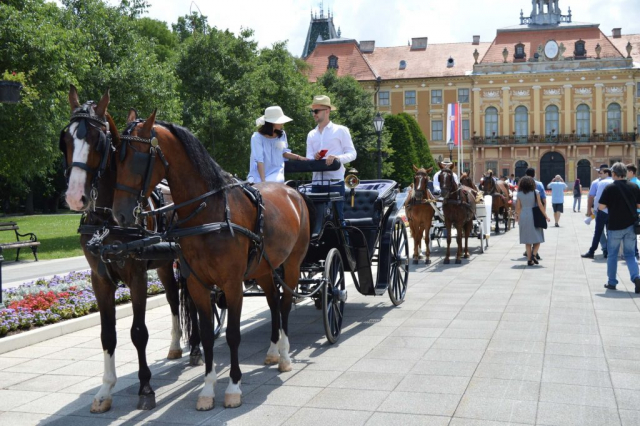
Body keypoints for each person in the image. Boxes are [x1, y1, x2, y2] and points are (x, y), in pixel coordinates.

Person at [306, 95, 357, 223]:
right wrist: (314, 157)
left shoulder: (341, 130)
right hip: (316, 183)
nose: (314, 114)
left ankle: (346, 243)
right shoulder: (311, 134)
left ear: (327, 111)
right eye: (312, 111)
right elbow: (308, 158)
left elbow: (352, 153)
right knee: (315, 221)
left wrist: (337, 158)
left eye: (316, 111)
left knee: (338, 220)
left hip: (335, 182)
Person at [597, 162, 640, 292]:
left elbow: (601, 207)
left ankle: (612, 282)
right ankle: (636, 277)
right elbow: (639, 206)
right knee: (630, 254)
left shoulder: (610, 188)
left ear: (614, 174)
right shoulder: (634, 186)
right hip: (631, 225)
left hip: (615, 225)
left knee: (612, 255)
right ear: (625, 173)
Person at [247, 106, 307, 183]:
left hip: (276, 172)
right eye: (280, 121)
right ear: (272, 122)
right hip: (258, 175)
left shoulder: (281, 135)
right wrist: (263, 182)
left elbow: (283, 153)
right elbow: (259, 160)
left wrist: (299, 157)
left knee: (275, 183)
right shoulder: (256, 138)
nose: (282, 123)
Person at [515, 176, 550, 266]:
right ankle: (534, 255)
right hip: (534, 216)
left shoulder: (519, 194)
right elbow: (540, 205)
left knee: (527, 240)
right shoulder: (536, 192)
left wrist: (517, 216)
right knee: (538, 237)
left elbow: (518, 207)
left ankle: (529, 260)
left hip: (523, 215)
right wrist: (546, 216)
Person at [582, 168, 613, 259]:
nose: (599, 175)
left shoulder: (602, 183)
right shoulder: (615, 182)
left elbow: (597, 199)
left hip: (602, 211)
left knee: (598, 232)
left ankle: (591, 251)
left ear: (607, 173)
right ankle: (608, 251)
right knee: (610, 232)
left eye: (601, 173)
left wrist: (595, 210)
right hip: (612, 212)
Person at [523, 168, 546, 259]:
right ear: (534, 174)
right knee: (537, 232)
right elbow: (543, 199)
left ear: (526, 174)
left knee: (528, 232)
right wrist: (544, 212)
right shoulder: (539, 184)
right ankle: (534, 252)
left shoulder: (522, 185)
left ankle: (529, 251)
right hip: (537, 210)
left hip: (525, 211)